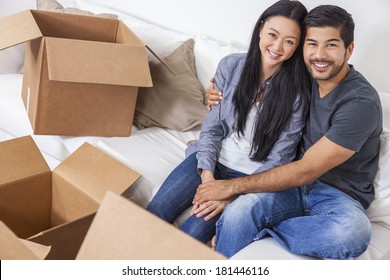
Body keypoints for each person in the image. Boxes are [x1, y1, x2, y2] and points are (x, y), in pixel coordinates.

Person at [195, 4, 383, 259]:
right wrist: (217, 94)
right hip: (288, 185)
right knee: (240, 213)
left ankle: (262, 227)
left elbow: (307, 169)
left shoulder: (360, 102)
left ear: (349, 49)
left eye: (331, 45)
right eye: (312, 43)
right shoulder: (303, 77)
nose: (319, 55)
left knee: (353, 232)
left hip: (336, 195)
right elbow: (250, 82)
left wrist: (231, 189)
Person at [146, 0, 311, 244]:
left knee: (188, 237)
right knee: (154, 212)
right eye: (272, 35)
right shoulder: (231, 66)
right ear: (261, 28)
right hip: (211, 161)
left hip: (251, 177)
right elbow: (212, 128)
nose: (277, 47)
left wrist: (231, 195)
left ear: (297, 46)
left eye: (289, 41)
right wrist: (208, 179)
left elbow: (280, 158)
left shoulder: (298, 92)